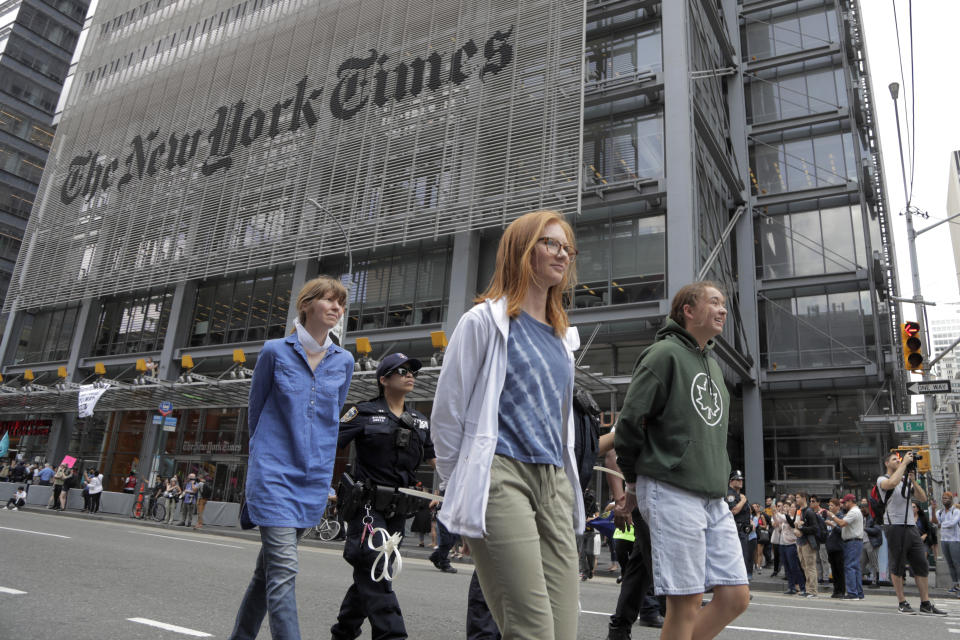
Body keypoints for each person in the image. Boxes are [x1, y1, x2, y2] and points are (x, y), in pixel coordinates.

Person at [432, 210, 584, 640]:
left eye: (567, 247)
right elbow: (448, 412)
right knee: (532, 629)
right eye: (550, 243)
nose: (562, 254)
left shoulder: (562, 337)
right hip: (500, 476)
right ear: (522, 251)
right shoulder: (484, 322)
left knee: (565, 629)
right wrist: (459, 486)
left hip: (553, 480)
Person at [615, 281, 749, 640]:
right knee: (685, 602)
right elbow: (629, 423)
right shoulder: (663, 354)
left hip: (712, 496)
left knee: (736, 596)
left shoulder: (714, 366)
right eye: (713, 302)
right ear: (688, 311)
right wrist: (632, 480)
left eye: (724, 304)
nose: (722, 310)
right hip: (669, 489)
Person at [228, 275, 353, 640]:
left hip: (311, 479)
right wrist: (263, 458)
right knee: (284, 568)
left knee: (266, 572)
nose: (336, 308)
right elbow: (256, 412)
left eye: (340, 303)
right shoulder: (274, 351)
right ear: (307, 304)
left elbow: (330, 419)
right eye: (329, 300)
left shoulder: (343, 361)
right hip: (273, 475)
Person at [329, 352, 435, 640]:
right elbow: (328, 446)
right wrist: (323, 486)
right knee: (377, 569)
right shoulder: (361, 413)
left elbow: (435, 459)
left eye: (412, 370)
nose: (409, 374)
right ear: (384, 379)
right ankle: (393, 635)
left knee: (372, 571)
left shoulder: (420, 421)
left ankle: (343, 632)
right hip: (366, 507)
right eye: (401, 371)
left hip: (398, 510)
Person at [877, 451, 946, 615]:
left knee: (921, 563)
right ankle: (902, 602)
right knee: (898, 565)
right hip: (894, 526)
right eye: (894, 459)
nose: (898, 461)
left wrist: (913, 481)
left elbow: (922, 498)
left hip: (911, 526)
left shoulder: (905, 480)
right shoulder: (882, 479)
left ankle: (925, 602)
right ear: (887, 463)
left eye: (898, 459)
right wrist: (903, 464)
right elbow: (891, 484)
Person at [824, 494, 864, 599]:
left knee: (850, 567)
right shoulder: (855, 511)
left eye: (845, 502)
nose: (844, 505)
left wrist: (832, 516)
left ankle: (852, 593)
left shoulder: (854, 512)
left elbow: (841, 523)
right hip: (854, 541)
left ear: (850, 501)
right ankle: (858, 592)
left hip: (852, 542)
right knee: (855, 567)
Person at [793, 492, 819, 598]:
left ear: (804, 498)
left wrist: (802, 529)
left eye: (798, 497)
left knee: (810, 567)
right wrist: (796, 528)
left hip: (807, 542)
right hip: (800, 542)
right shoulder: (799, 511)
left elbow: (815, 528)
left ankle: (812, 591)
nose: (796, 499)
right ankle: (808, 589)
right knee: (804, 567)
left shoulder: (809, 512)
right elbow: (796, 524)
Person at [934, 492, 960, 594]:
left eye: (947, 498)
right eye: (943, 498)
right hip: (944, 540)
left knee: (957, 563)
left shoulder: (956, 511)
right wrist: (932, 509)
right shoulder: (940, 512)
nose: (945, 500)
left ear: (951, 499)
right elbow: (934, 523)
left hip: (955, 540)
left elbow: (953, 523)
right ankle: (955, 585)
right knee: (950, 564)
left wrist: (941, 525)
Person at [823, 498, 846, 598]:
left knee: (840, 570)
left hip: (839, 547)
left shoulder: (840, 517)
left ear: (838, 506)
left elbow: (842, 532)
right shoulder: (829, 517)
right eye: (829, 505)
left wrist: (832, 525)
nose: (830, 507)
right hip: (830, 547)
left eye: (832, 505)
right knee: (834, 570)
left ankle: (841, 590)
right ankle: (836, 590)